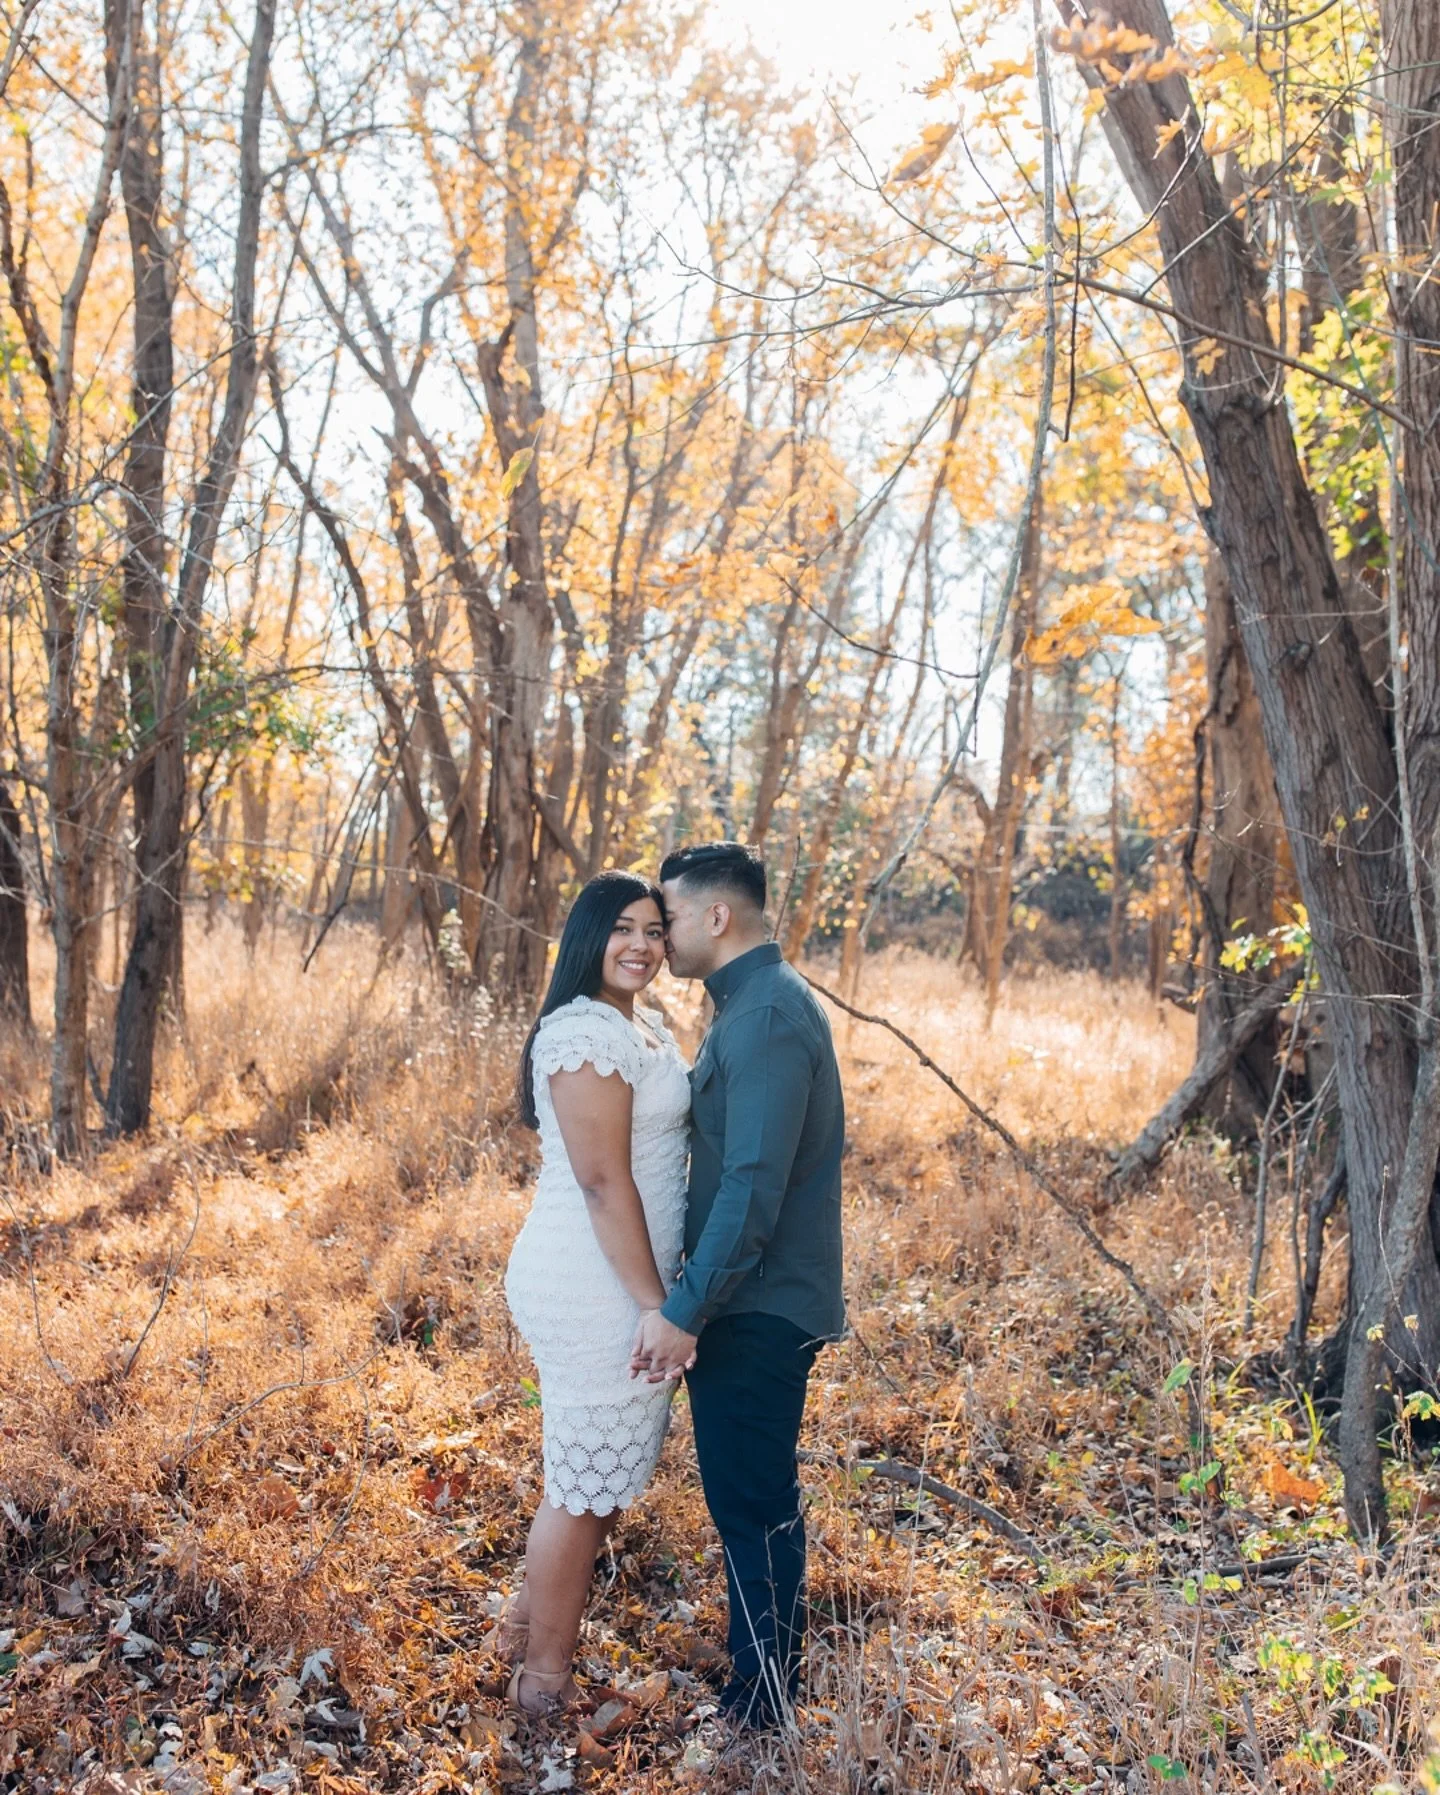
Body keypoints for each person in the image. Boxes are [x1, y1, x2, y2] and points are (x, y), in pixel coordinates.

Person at [632, 841, 846, 1730]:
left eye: (671, 916)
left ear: (716, 916)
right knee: (747, 1497)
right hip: (749, 1299)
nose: (663, 936)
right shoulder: (750, 1004)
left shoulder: (762, 1017)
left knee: (751, 1503)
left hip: (755, 1307)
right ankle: (760, 1679)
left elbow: (753, 1183)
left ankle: (763, 1706)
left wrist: (686, 1309)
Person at [502, 870, 693, 1716]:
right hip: (595, 1280)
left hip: (630, 1277)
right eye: (621, 928)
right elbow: (603, 1180)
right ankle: (542, 1681)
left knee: (602, 1479)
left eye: (654, 929)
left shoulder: (639, 1022)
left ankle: (522, 1627)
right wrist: (659, 1304)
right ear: (588, 936)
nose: (641, 945)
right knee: (580, 1489)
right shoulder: (582, 1029)